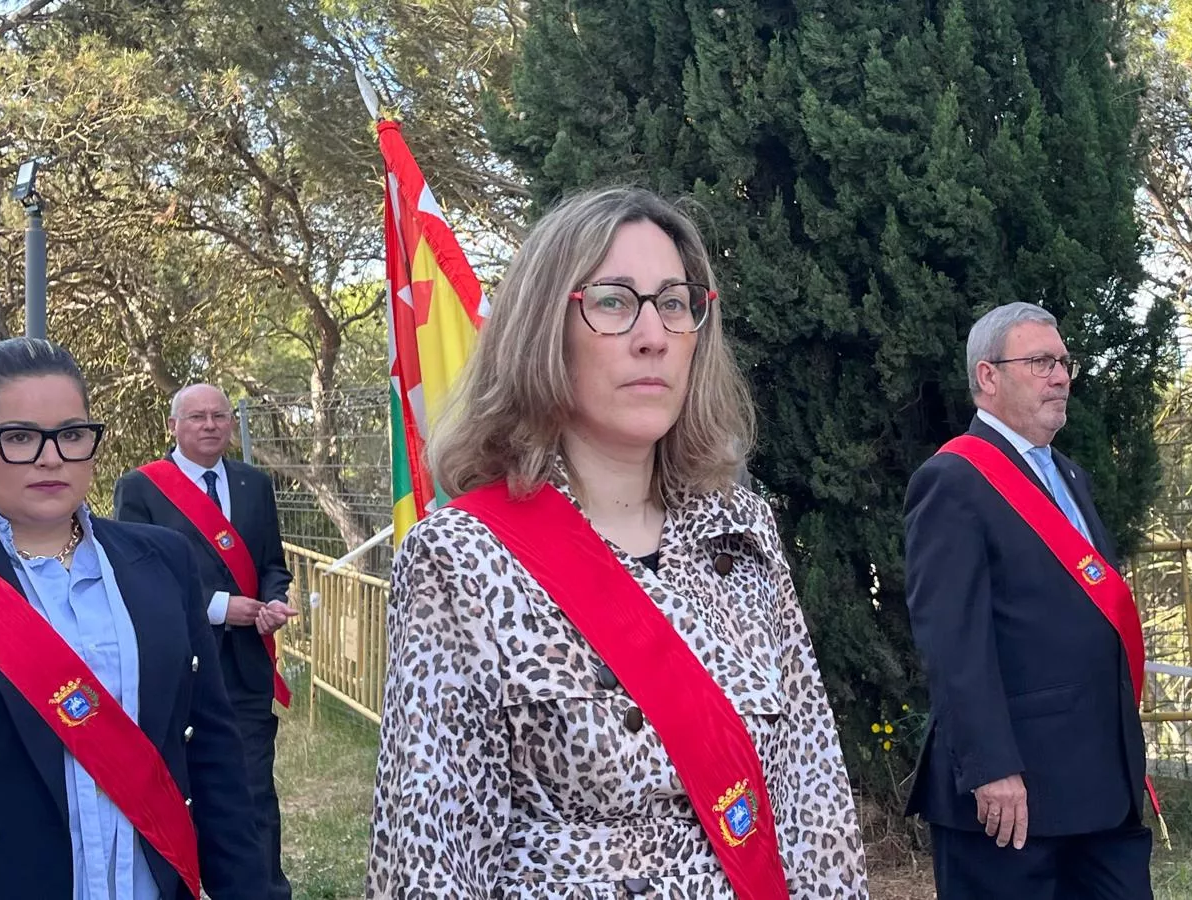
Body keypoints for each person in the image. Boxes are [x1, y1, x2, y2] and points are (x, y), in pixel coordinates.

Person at [366, 186, 868, 898]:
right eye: (612, 301)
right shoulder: (462, 557)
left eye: (674, 302)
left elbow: (814, 799)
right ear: (544, 328)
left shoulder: (743, 531)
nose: (653, 334)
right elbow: (431, 859)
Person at [0, 337, 266, 899]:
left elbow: (212, 754)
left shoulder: (162, 562)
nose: (51, 456)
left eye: (72, 434)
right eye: (18, 437)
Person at [903, 302, 1153, 899]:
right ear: (988, 377)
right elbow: (953, 643)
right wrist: (990, 767)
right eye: (1040, 361)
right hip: (1013, 798)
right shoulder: (953, 481)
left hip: (1098, 786)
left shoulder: (1069, 475)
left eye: (1064, 361)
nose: (1061, 376)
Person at [113, 384, 298, 900]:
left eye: (220, 416)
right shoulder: (143, 488)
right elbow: (140, 578)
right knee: (180, 789)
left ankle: (262, 889)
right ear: (175, 425)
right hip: (178, 667)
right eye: (198, 417)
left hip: (244, 669)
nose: (211, 425)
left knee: (253, 790)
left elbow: (271, 565)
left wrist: (272, 602)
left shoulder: (254, 484)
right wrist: (220, 607)